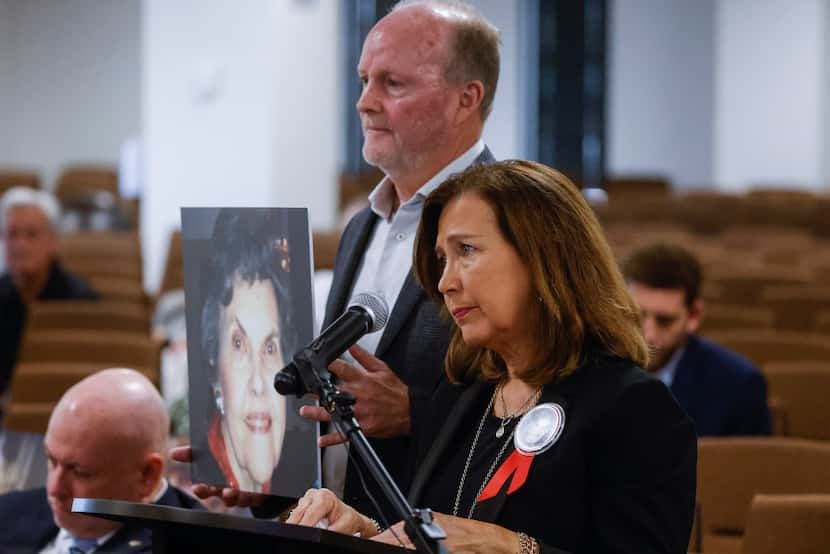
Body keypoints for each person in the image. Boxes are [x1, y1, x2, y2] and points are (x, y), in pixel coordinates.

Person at [175, 0, 501, 520]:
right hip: (340, 527)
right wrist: (266, 479)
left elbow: (552, 397)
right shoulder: (360, 227)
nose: (364, 103)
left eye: (392, 84)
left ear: (466, 99)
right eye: (364, 79)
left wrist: (418, 414)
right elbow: (334, 405)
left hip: (443, 533)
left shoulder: (511, 221)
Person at [285, 160, 697, 553]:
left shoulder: (635, 408)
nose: (445, 282)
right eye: (443, 259)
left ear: (543, 258)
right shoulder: (462, 393)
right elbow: (442, 538)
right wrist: (365, 531)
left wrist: (510, 547)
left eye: (466, 250)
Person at [0, 368, 202, 553]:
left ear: (146, 475)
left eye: (81, 472)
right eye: (51, 460)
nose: (54, 489)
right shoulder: (11, 510)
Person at [195, 209, 301, 494]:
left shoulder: (296, 491)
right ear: (214, 366)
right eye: (239, 345)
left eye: (270, 347)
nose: (258, 384)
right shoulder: (199, 489)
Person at [623, 242, 772, 436]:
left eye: (665, 321)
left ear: (694, 315)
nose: (648, 334)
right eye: (637, 315)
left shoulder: (739, 385)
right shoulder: (592, 369)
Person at [0, 187, 98, 398]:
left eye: (31, 234)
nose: (20, 245)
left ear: (53, 240)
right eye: (12, 234)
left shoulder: (81, 300)